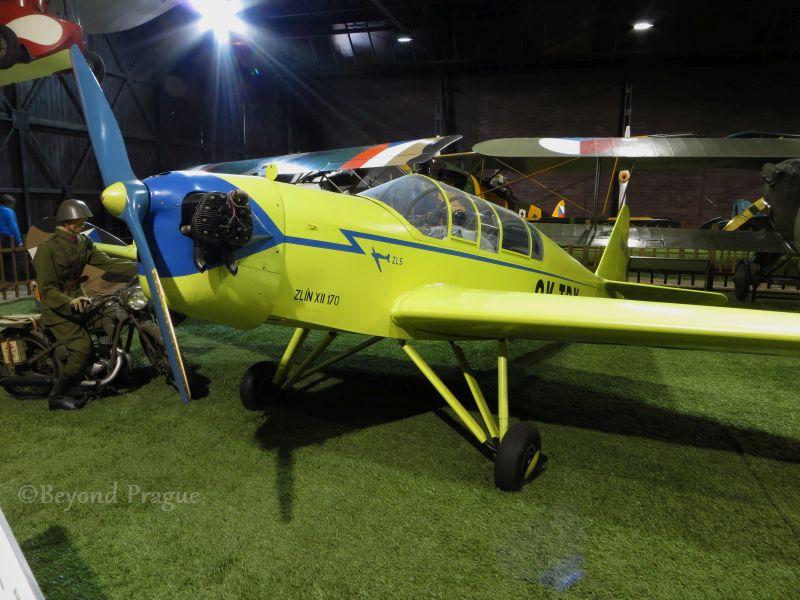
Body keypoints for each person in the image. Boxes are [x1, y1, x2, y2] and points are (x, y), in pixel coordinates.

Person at [33, 199, 137, 411]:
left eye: (83, 220)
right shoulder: (47, 247)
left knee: (108, 319)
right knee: (81, 348)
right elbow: (47, 288)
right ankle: (57, 396)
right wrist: (69, 301)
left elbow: (108, 263)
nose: (83, 224)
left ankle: (106, 372)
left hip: (81, 300)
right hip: (57, 308)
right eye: (79, 221)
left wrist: (140, 268)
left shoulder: (82, 241)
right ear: (66, 221)